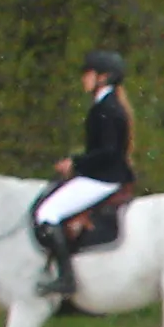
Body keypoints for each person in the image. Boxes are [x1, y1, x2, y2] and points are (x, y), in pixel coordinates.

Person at [31, 51, 135, 299]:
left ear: (103, 78)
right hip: (102, 174)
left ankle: (66, 279)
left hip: (104, 178)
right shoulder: (105, 105)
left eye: (88, 74)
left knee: (47, 214)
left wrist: (76, 163)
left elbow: (109, 152)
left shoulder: (108, 109)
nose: (83, 79)